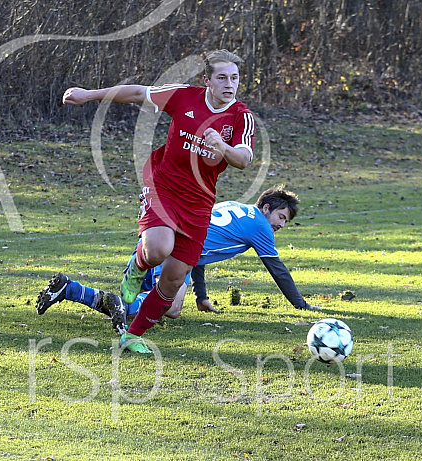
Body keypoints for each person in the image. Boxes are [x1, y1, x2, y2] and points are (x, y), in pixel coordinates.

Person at [60, 50, 255, 353]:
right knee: (158, 249)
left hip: (199, 202)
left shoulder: (241, 116)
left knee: (173, 281)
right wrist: (89, 95)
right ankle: (137, 266)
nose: (229, 84)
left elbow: (244, 158)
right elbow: (138, 92)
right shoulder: (184, 96)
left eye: (234, 78)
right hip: (163, 185)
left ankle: (132, 335)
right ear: (207, 80)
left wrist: (223, 147)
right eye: (222, 77)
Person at [36, 186, 319, 335]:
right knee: (167, 308)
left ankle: (69, 289)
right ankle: (121, 301)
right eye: (281, 217)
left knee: (132, 304)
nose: (281, 225)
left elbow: (201, 249)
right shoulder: (260, 226)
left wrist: (202, 295)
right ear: (266, 208)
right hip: (173, 251)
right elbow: (278, 270)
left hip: (154, 241)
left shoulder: (237, 208)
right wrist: (301, 305)